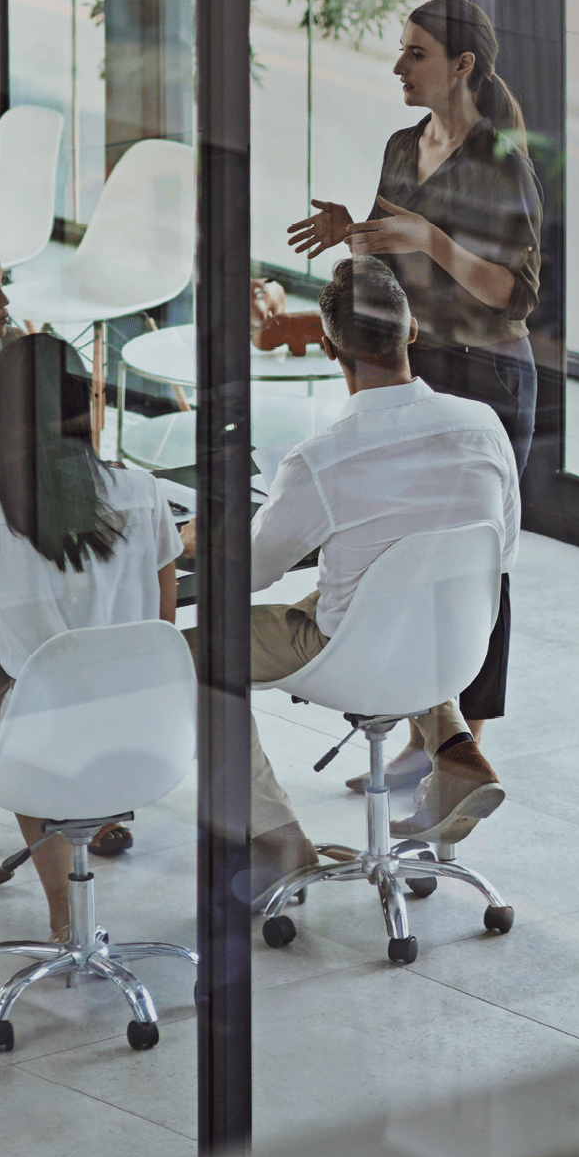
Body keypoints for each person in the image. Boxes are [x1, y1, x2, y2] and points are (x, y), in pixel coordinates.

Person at [181, 256, 520, 899]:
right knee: (392, 599)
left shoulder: (322, 459)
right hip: (455, 643)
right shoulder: (483, 425)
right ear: (411, 330)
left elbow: (252, 574)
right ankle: (457, 752)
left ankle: (279, 837)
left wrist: (207, 538)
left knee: (189, 656)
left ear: (330, 346)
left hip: (354, 653)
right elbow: (499, 556)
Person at [286, 0, 540, 833]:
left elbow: (516, 292)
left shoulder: (498, 157)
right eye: (401, 52)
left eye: (416, 54)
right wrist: (350, 233)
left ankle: (457, 752)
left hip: (485, 379)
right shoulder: (404, 145)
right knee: (399, 553)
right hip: (416, 369)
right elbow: (382, 261)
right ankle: (431, 735)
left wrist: (430, 240)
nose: (398, 68)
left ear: (460, 65)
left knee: (465, 564)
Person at [0, 332, 182, 936]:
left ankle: (62, 915)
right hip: (146, 722)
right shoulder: (144, 492)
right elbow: (163, 618)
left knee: (14, 711)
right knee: (11, 698)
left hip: (47, 736)